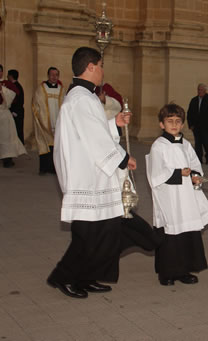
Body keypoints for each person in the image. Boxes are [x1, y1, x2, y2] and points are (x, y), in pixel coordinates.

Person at [47, 47, 139, 299]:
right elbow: (95, 139)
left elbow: (92, 131)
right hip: (85, 177)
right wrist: (123, 158)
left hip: (92, 174)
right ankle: (63, 278)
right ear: (90, 67)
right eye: (100, 65)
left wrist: (114, 123)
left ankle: (85, 277)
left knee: (98, 233)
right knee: (86, 235)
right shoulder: (81, 99)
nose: (102, 71)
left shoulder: (83, 97)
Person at [146, 103, 208, 286]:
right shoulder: (158, 146)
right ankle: (167, 273)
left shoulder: (185, 144)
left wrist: (195, 176)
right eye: (170, 121)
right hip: (169, 197)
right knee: (170, 234)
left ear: (182, 124)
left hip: (186, 198)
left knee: (187, 233)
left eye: (178, 121)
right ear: (162, 124)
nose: (174, 125)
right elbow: (155, 174)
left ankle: (184, 270)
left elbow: (195, 163)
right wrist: (177, 173)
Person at [32, 67, 65, 175]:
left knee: (55, 146)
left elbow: (65, 105)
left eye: (56, 75)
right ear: (48, 75)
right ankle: (43, 168)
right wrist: (42, 119)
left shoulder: (61, 89)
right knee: (44, 145)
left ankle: (54, 168)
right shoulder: (41, 88)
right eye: (52, 75)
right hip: (45, 122)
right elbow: (36, 103)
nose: (54, 77)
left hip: (58, 121)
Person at [0, 64, 26, 168]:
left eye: (0, 71)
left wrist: (3, 91)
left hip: (4, 112)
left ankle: (7, 159)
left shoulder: (7, 83)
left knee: (7, 137)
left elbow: (15, 95)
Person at [187, 83, 208, 164]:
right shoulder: (194, 100)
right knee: (198, 144)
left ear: (205, 90)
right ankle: (198, 159)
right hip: (196, 127)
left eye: (201, 90)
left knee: (206, 143)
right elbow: (189, 113)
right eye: (198, 90)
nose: (199, 91)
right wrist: (190, 125)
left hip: (205, 127)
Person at [7, 69, 25, 144]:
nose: (7, 77)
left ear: (11, 76)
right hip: (16, 111)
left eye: (8, 75)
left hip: (17, 112)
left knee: (18, 130)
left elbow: (19, 100)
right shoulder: (15, 85)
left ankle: (20, 146)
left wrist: (14, 112)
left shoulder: (16, 86)